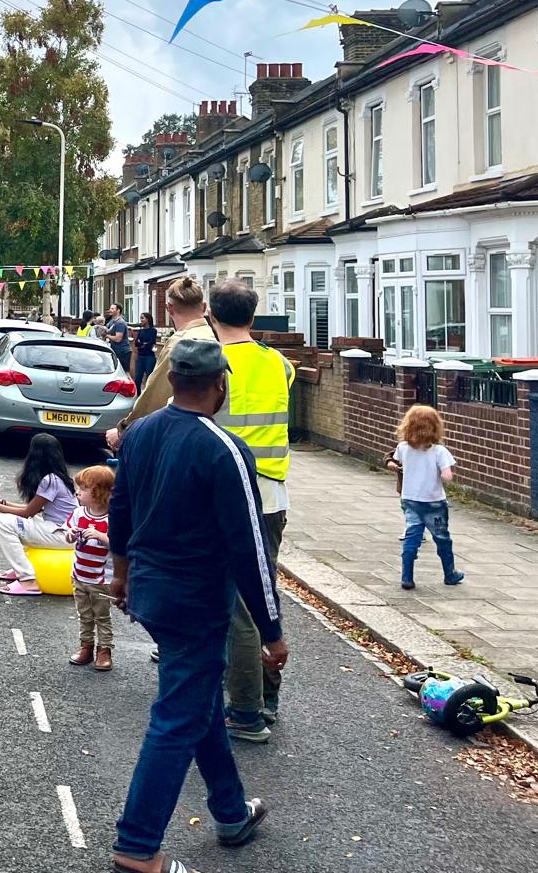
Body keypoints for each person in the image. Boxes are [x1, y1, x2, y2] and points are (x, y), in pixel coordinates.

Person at [107, 339, 287, 872]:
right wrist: (272, 632)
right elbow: (247, 549)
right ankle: (137, 847)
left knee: (198, 700)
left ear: (174, 381)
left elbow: (120, 505)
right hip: (196, 602)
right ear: (220, 385)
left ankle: (231, 812)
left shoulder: (139, 433)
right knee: (176, 718)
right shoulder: (224, 448)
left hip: (150, 594)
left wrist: (120, 573)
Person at [206, 278, 295, 744]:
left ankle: (246, 711)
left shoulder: (215, 364)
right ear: (254, 316)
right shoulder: (278, 363)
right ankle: (268, 695)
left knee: (238, 606)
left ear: (211, 315)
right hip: (273, 496)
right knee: (264, 593)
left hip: (230, 495)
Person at [110, 275, 214, 448]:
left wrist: (124, 430)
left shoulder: (179, 343)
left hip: (178, 436)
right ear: (203, 307)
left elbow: (155, 395)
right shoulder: (214, 338)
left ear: (169, 308)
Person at [0, 433, 77, 597]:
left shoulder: (50, 480)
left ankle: (27, 579)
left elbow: (27, 513)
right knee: (0, 516)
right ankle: (20, 568)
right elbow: (34, 510)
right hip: (63, 533)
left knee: (3, 522)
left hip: (63, 537)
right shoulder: (58, 477)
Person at [386, 405, 465, 590]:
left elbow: (396, 462)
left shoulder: (403, 448)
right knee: (442, 538)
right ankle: (450, 574)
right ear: (435, 427)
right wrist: (444, 475)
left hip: (410, 500)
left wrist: (393, 465)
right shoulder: (439, 451)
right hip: (434, 503)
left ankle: (407, 576)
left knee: (412, 537)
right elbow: (447, 475)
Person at [65, 463, 115, 671]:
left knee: (102, 616)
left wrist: (100, 537)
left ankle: (104, 650)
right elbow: (67, 533)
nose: (78, 492)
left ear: (99, 493)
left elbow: (119, 544)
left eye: (83, 489)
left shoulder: (112, 518)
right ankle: (86, 646)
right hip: (79, 575)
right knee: (84, 614)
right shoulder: (79, 514)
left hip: (101, 579)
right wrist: (70, 534)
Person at [133, 312, 158, 392]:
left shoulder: (153, 330)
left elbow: (151, 343)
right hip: (140, 357)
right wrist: (142, 344)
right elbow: (136, 343)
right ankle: (138, 396)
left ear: (148, 319)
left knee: (149, 378)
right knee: (138, 379)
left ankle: (148, 397)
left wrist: (142, 343)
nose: (141, 320)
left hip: (149, 357)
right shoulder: (140, 331)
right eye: (140, 318)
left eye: (142, 318)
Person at [104, 303, 132, 372]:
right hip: (115, 350)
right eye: (110, 308)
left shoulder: (120, 323)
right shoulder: (112, 321)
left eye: (112, 309)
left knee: (124, 372)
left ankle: (130, 382)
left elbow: (118, 339)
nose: (110, 310)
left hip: (123, 351)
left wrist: (107, 336)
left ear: (118, 310)